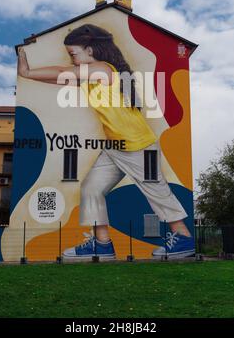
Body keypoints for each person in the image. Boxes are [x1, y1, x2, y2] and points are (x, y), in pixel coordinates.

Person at [17, 24, 195, 259]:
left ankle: (182, 239)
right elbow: (62, 78)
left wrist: (27, 72)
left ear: (90, 50)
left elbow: (63, 71)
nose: (72, 60)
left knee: (157, 192)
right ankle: (102, 244)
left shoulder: (101, 69)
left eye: (74, 54)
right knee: (91, 189)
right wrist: (29, 73)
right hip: (114, 147)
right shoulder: (92, 75)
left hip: (137, 145)